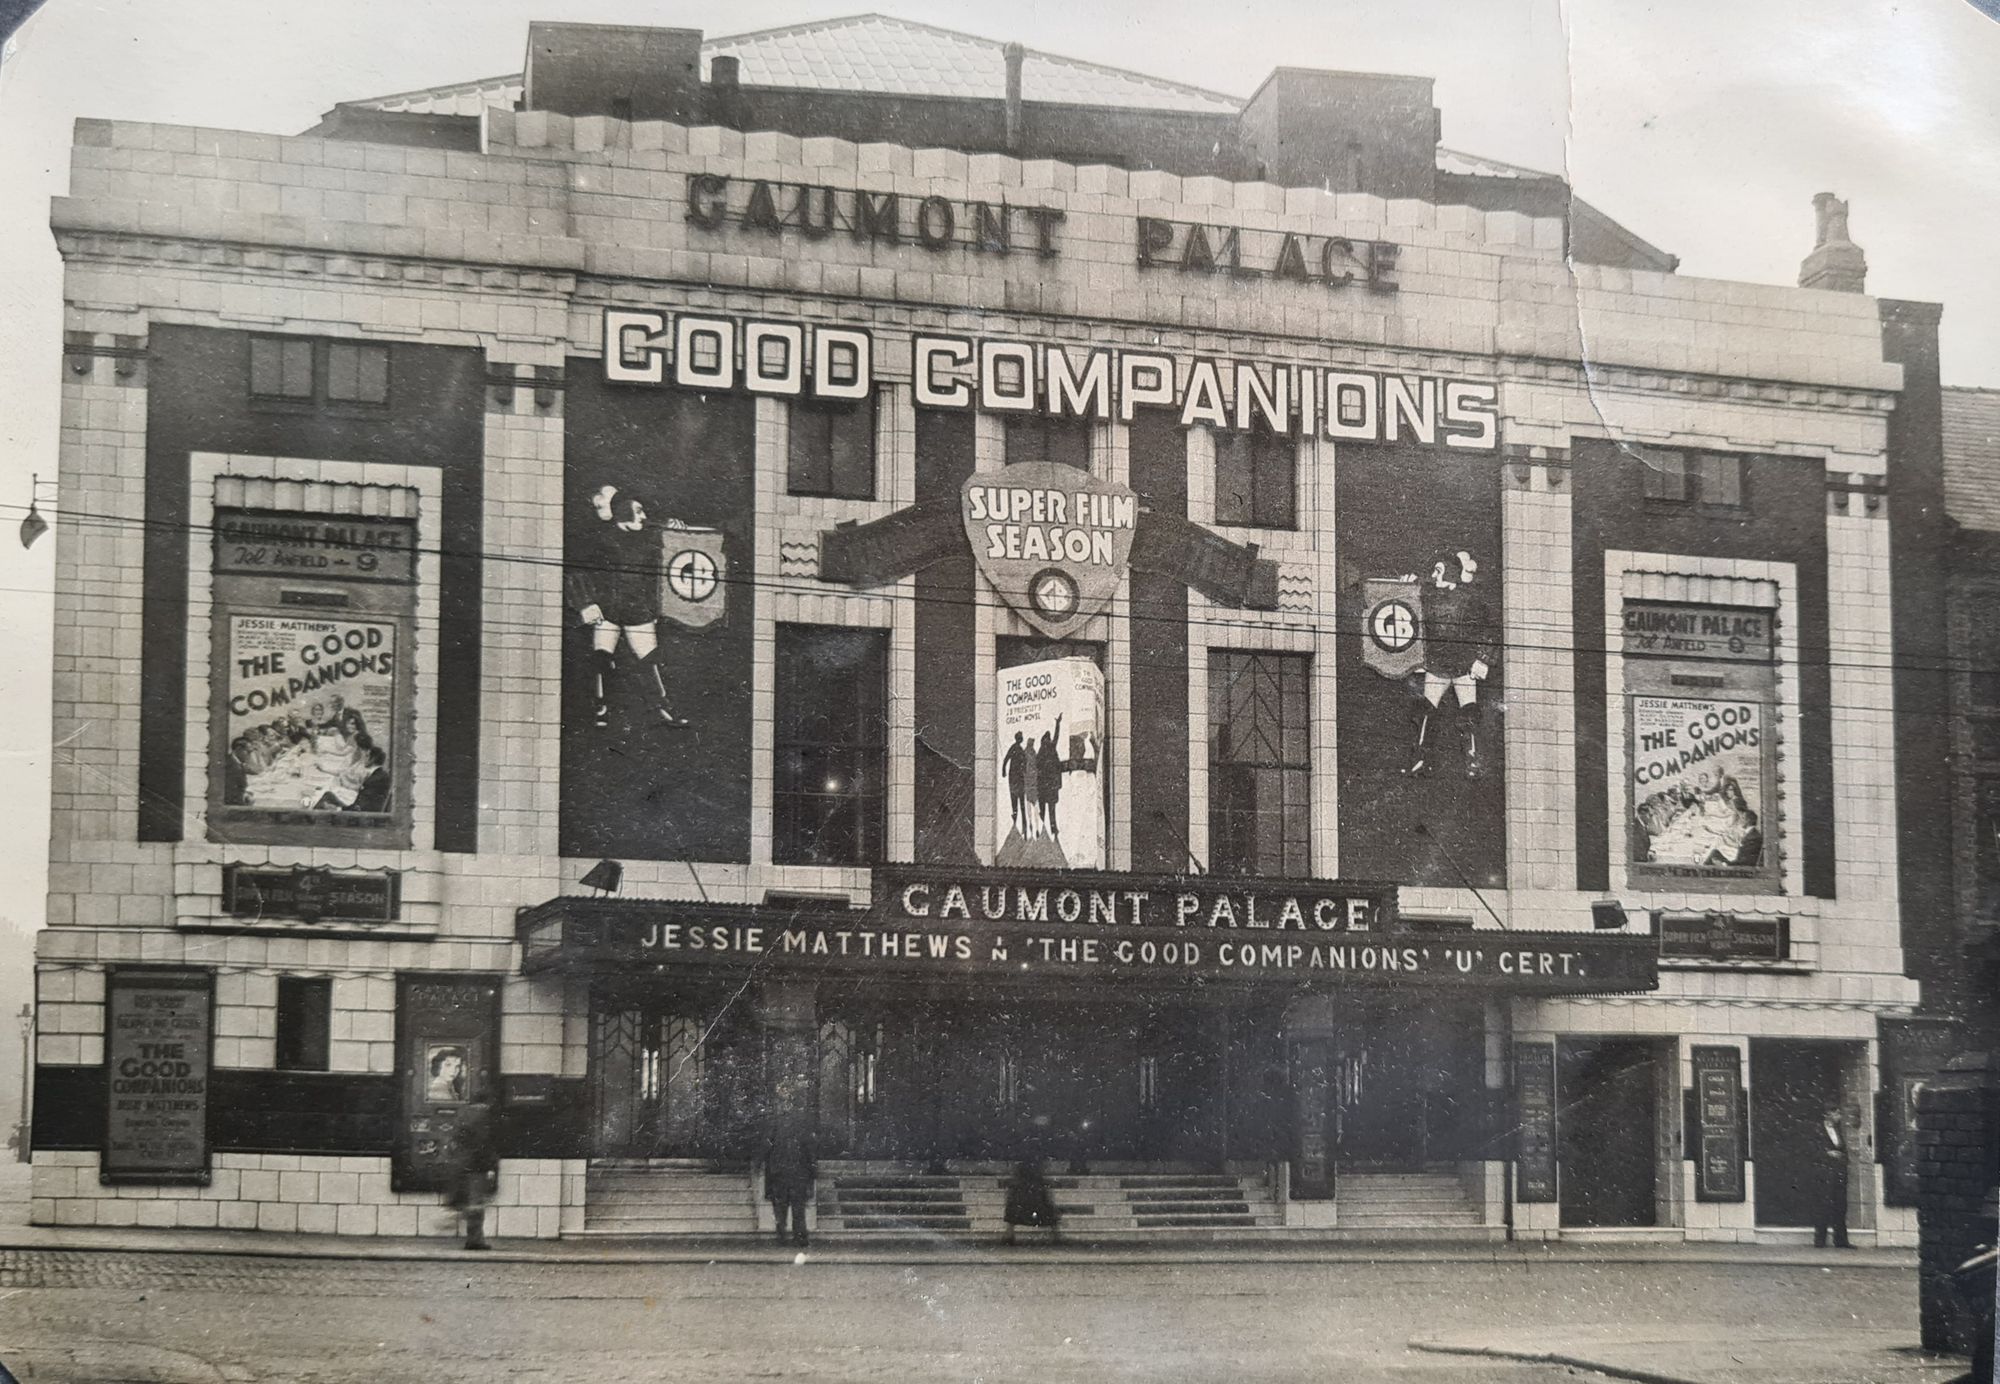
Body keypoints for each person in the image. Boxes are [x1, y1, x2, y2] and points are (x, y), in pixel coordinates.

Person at [567, 484, 689, 728]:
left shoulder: (649, 537)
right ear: (623, 511)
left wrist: (673, 526)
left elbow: (661, 535)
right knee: (602, 657)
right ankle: (601, 707)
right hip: (606, 610)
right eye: (638, 510)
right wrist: (585, 603)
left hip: (638, 610)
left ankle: (662, 709)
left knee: (649, 660)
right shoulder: (600, 540)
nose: (643, 516)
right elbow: (577, 571)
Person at [446, 1103, 497, 1252]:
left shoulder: (465, 1117)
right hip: (477, 1168)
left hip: (465, 1166)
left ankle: (474, 1237)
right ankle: (475, 1240)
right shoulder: (483, 1120)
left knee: (472, 1204)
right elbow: (485, 1146)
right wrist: (490, 1167)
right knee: (476, 1205)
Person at [763, 1124, 815, 1248]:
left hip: (780, 1177)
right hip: (797, 1177)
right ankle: (800, 1238)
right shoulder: (802, 1135)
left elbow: (768, 1160)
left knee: (781, 1211)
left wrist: (768, 1184)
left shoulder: (774, 1134)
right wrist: (811, 1177)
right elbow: (810, 1158)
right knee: (798, 1211)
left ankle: (781, 1237)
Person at [1813, 1101, 1853, 1249]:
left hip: (1839, 1173)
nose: (1839, 1116)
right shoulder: (1817, 1129)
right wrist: (1827, 1154)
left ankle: (1841, 1240)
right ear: (1828, 1114)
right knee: (1823, 1205)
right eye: (1836, 1113)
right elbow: (1811, 1150)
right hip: (1825, 1173)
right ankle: (1820, 1240)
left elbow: (1843, 1150)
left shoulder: (1838, 1130)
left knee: (1841, 1206)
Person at [1003, 1157, 1060, 1246]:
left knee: (1012, 1212)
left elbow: (1010, 1194)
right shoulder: (1039, 1184)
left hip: (1023, 1205)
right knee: (1049, 1212)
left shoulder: (1018, 1184)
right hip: (1037, 1205)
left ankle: (1009, 1235)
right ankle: (1056, 1236)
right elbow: (1047, 1198)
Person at [1001, 731, 1029, 835]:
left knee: (1017, 804)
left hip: (1015, 778)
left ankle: (1021, 826)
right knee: (1019, 804)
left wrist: (1004, 770)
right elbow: (1006, 759)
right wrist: (1003, 770)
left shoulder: (1018, 749)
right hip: (1016, 779)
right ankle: (1018, 825)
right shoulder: (1018, 749)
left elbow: (1006, 760)